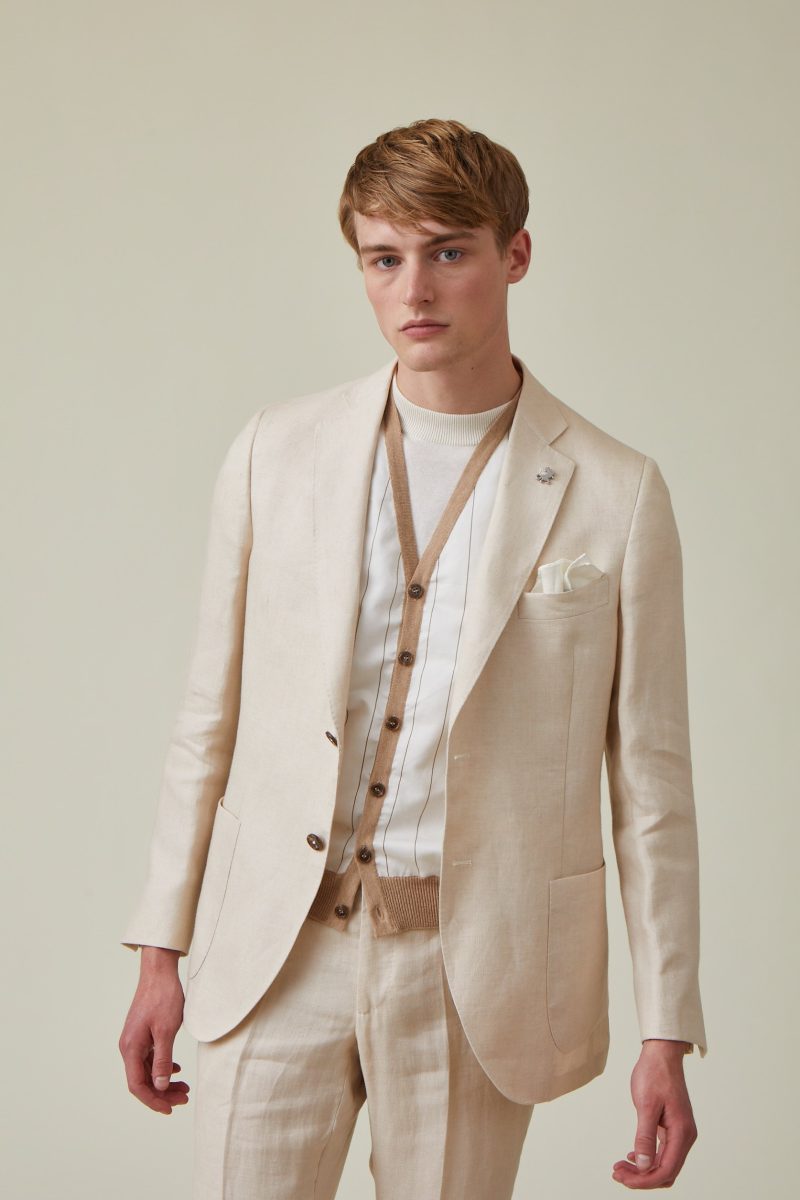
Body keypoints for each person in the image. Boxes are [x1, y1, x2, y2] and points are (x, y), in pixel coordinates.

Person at [118, 117, 707, 1198]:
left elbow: (651, 788)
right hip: (274, 952)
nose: (414, 291)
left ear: (513, 255)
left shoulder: (616, 493)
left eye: (448, 252)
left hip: (472, 970)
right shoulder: (274, 451)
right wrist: (161, 948)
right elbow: (208, 717)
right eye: (384, 259)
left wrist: (666, 1029)